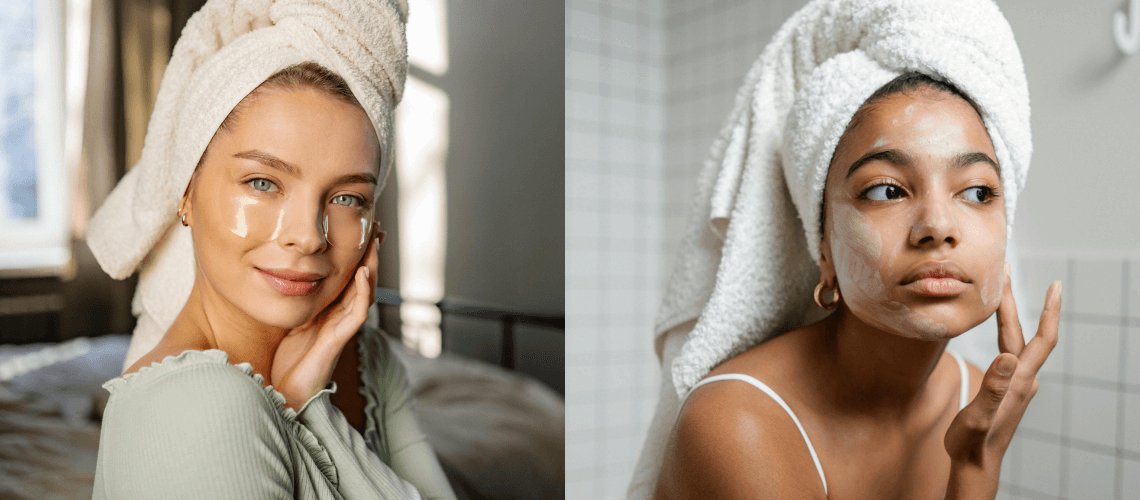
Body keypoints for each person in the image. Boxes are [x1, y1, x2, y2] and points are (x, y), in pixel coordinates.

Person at [630, 1, 1056, 499]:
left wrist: (977, 452)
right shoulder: (737, 423)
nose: (938, 227)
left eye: (978, 192)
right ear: (824, 249)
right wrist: (976, 469)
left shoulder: (980, 399)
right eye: (887, 190)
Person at [86, 1, 457, 498]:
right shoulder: (195, 404)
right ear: (187, 192)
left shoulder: (366, 359)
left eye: (348, 198)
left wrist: (308, 402)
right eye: (262, 182)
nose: (308, 235)